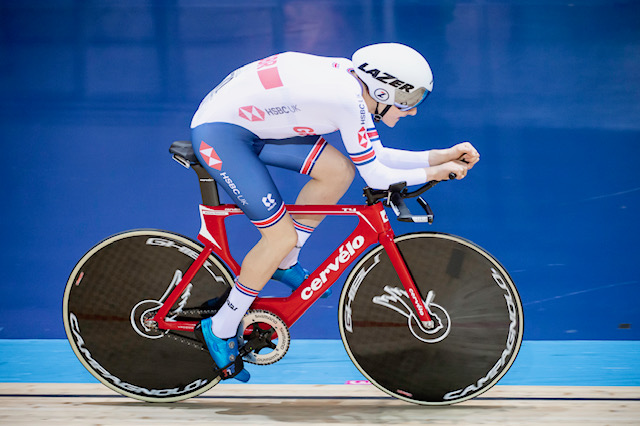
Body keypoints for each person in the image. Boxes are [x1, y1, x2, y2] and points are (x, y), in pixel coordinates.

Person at [190, 43, 480, 381]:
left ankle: (285, 262)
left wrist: (440, 155)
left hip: (247, 120)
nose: (412, 111)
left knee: (338, 171)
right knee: (278, 236)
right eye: (408, 100)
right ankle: (221, 326)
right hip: (222, 133)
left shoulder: (352, 84)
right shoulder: (347, 100)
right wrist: (435, 172)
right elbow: (377, 175)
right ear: (383, 89)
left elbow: (376, 154)